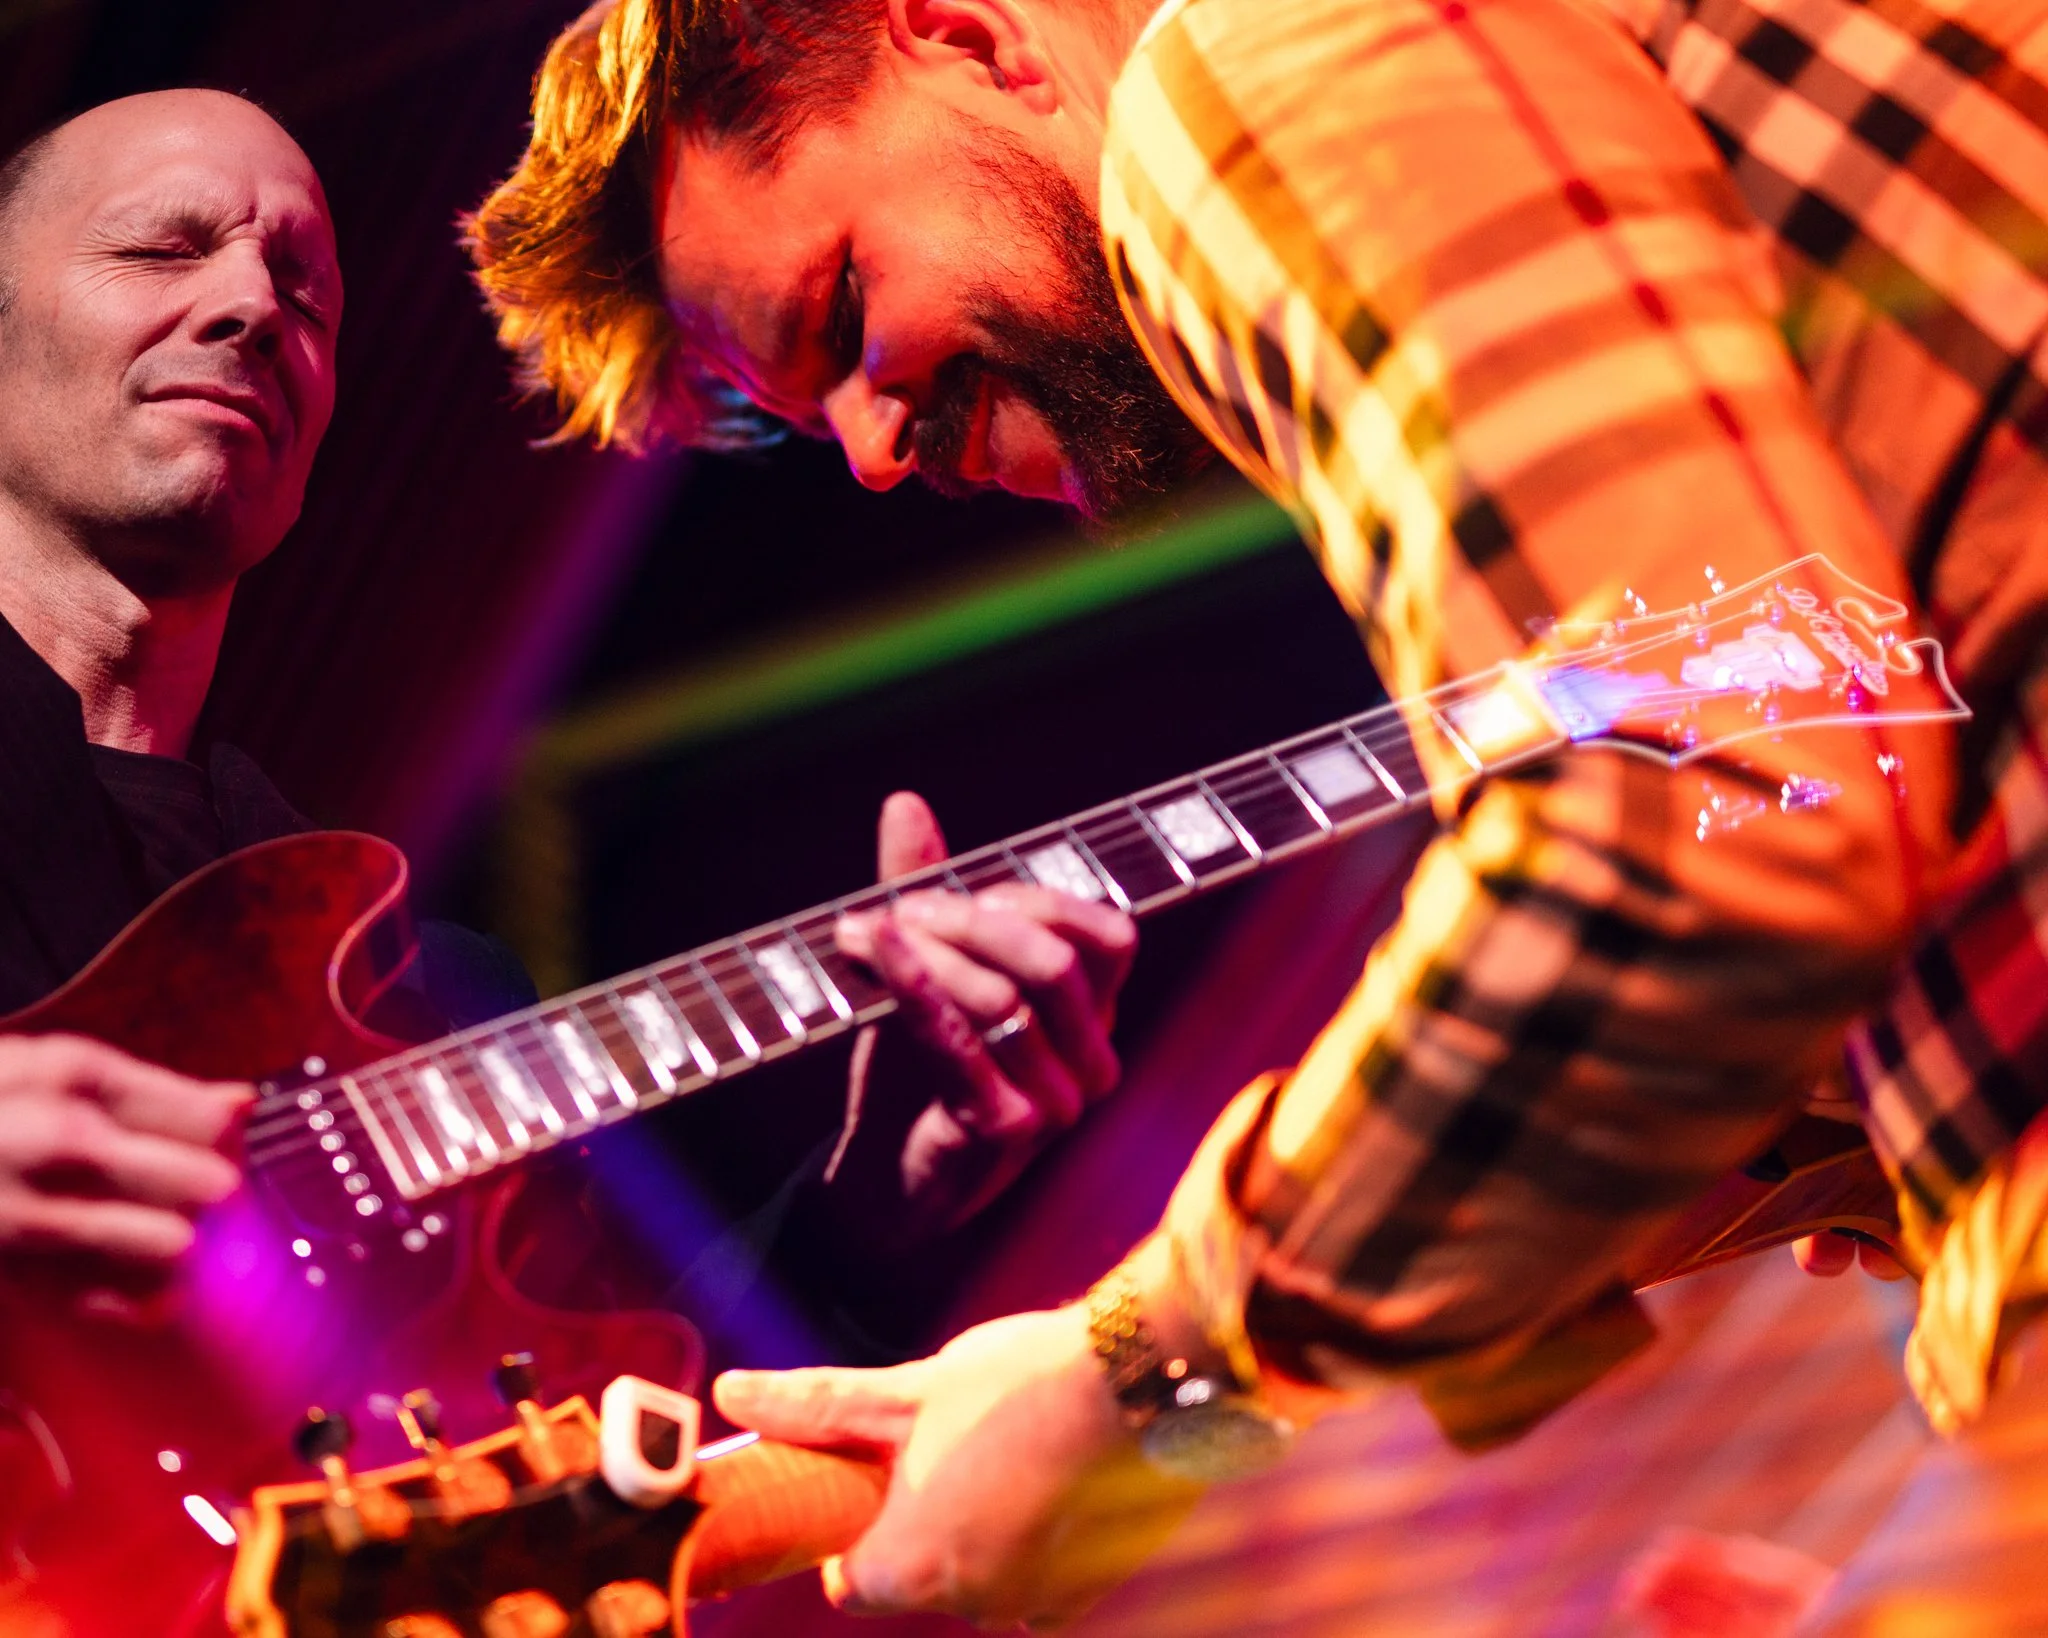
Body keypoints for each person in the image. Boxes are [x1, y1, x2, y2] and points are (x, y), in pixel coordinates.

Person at [466, 0, 2048, 1627]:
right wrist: (1122, 1380)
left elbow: (1674, 846)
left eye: (841, 310)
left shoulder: (1246, 77)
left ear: (965, 36)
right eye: (815, 425)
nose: (870, 455)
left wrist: (1130, 1387)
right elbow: (1817, 806)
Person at [0, 87, 1130, 1320]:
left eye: (307, 297)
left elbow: (576, 1407)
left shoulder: (406, 995)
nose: (255, 307)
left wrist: (882, 1190)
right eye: (161, 248)